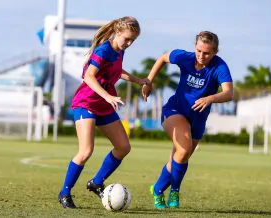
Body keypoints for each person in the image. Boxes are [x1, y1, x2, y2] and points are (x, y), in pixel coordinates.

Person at [58, 16, 147, 209]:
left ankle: (97, 182)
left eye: (133, 40)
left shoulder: (119, 50)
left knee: (123, 147)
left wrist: (138, 80)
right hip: (87, 103)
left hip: (105, 105)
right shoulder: (103, 50)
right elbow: (89, 76)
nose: (129, 43)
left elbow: (117, 71)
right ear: (117, 32)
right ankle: (65, 192)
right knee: (86, 151)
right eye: (127, 39)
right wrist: (108, 96)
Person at [142, 31, 233, 209]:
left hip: (198, 120)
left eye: (206, 53)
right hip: (175, 110)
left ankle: (157, 189)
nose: (201, 56)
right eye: (199, 50)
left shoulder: (219, 67)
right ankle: (174, 191)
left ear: (215, 52)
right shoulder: (184, 57)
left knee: (178, 159)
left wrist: (210, 98)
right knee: (183, 150)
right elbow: (162, 58)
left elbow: (229, 93)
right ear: (195, 47)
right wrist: (149, 81)